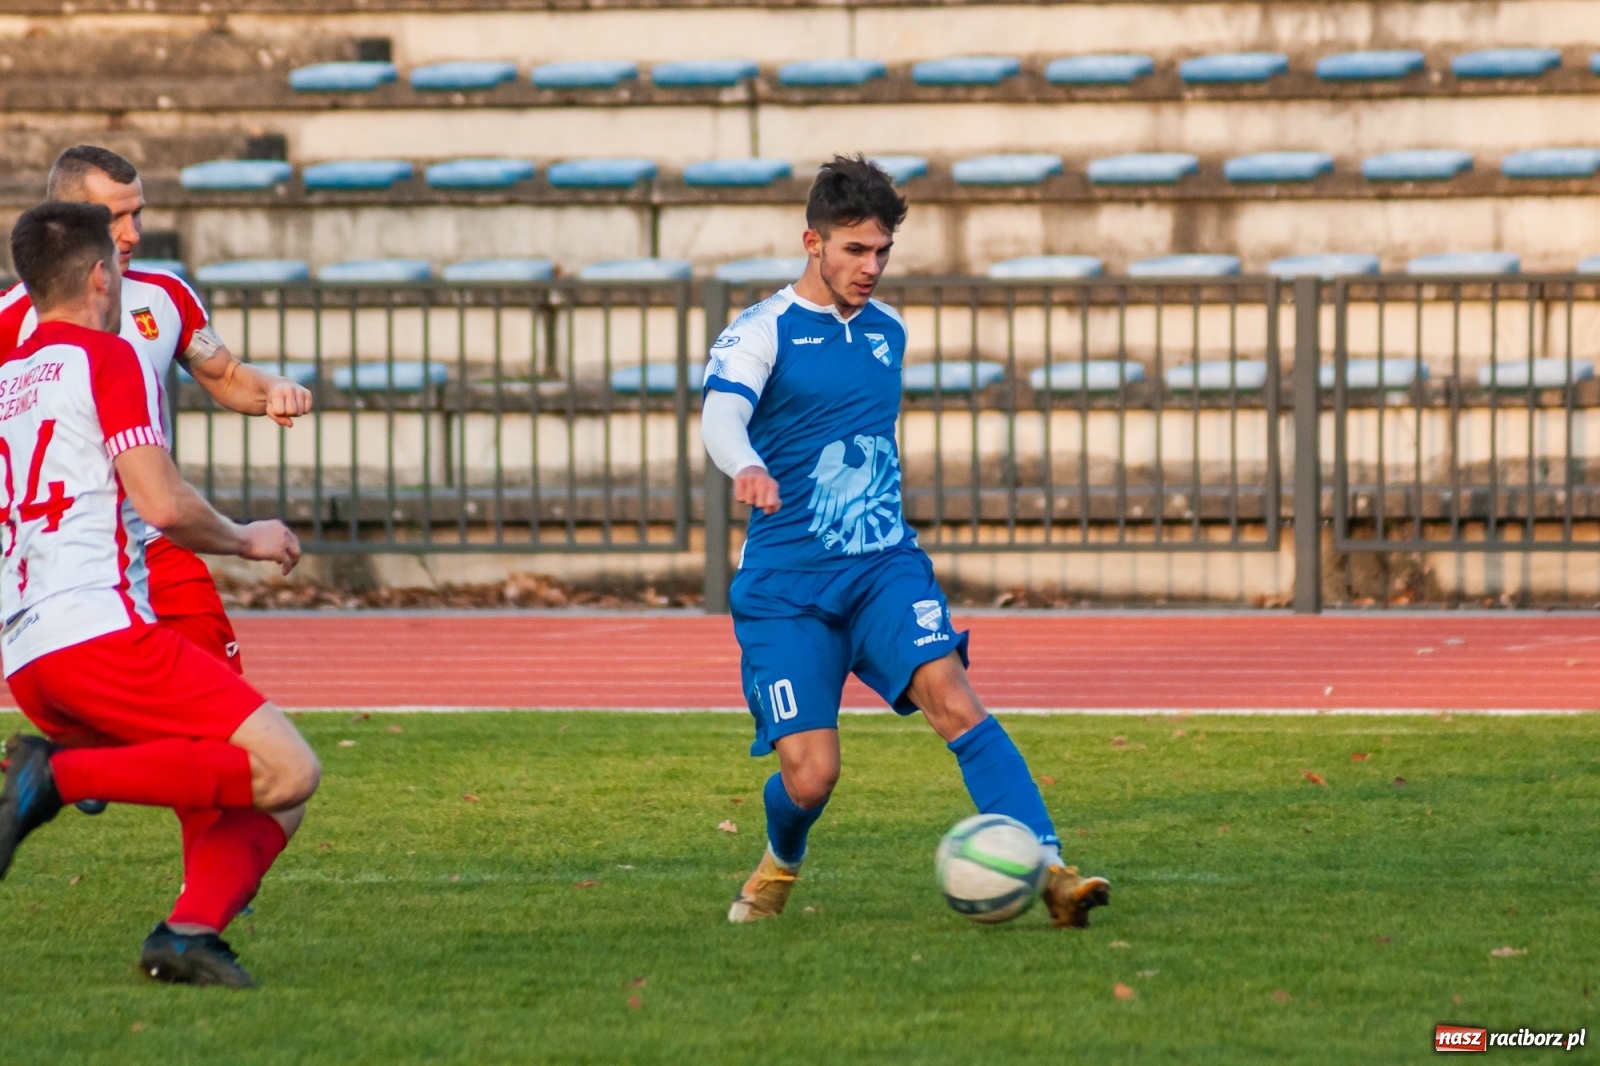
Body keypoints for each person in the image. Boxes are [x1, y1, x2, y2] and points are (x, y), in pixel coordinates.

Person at [702, 155, 1110, 927]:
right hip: (788, 588)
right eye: (855, 250)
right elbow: (722, 414)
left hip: (884, 567)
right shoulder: (761, 332)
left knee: (954, 699)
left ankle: (1052, 869)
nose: (872, 267)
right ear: (811, 242)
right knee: (811, 776)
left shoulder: (889, 330)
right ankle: (781, 863)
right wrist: (746, 463)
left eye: (882, 250)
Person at [0, 201, 320, 987]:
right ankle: (57, 776)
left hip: (28, 651)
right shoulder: (108, 360)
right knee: (291, 770)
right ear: (103, 274)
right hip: (99, 628)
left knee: (255, 778)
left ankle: (187, 934)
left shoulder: (8, 377)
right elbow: (163, 504)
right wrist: (249, 536)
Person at [0, 145, 313, 676]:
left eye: (137, 213)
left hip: (157, 542)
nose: (133, 233)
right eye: (115, 218)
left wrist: (275, 388)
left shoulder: (164, 297)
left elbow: (228, 376)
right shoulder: (10, 321)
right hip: (57, 552)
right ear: (74, 222)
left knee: (221, 699)